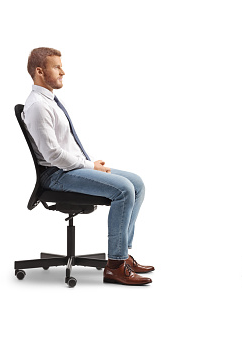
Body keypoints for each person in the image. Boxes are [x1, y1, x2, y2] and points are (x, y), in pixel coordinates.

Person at [23, 47, 153, 286]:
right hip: (57, 174)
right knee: (123, 189)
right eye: (57, 67)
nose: (63, 71)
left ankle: (123, 253)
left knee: (137, 183)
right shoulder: (39, 106)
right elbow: (53, 155)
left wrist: (89, 166)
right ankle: (115, 265)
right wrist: (90, 167)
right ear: (40, 71)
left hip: (70, 168)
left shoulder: (48, 100)